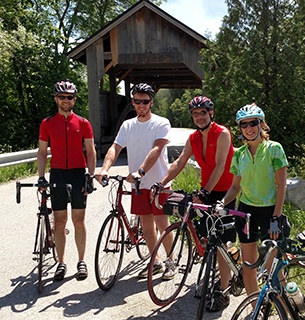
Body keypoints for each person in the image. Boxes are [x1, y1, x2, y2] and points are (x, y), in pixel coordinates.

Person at [151, 96, 236, 311]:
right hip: (206, 189)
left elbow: (219, 166)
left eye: (203, 113)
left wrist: (206, 192)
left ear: (211, 113)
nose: (199, 117)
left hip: (226, 191)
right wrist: (161, 184)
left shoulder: (222, 133)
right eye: (195, 114)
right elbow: (179, 162)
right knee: (208, 238)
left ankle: (223, 290)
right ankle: (213, 271)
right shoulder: (193, 139)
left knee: (222, 242)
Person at [96, 83, 173, 279]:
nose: (141, 105)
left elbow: (157, 149)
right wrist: (104, 169)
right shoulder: (128, 125)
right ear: (132, 103)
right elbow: (115, 147)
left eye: (145, 101)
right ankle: (154, 261)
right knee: (147, 224)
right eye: (137, 101)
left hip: (158, 183)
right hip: (138, 185)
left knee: (162, 223)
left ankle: (171, 261)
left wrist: (141, 171)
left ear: (151, 102)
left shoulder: (161, 123)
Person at [217, 103, 289, 297]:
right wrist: (222, 203)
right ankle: (253, 307)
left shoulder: (274, 149)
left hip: (270, 211)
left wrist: (277, 216)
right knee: (249, 265)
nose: (249, 128)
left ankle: (284, 308)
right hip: (246, 212)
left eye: (253, 123)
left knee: (273, 268)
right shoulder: (239, 154)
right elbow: (235, 187)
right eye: (244, 124)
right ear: (240, 128)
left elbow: (282, 185)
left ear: (261, 124)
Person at [37, 79, 97, 281]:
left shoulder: (83, 123)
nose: (65, 100)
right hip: (58, 174)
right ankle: (61, 263)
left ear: (74, 99)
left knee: (79, 221)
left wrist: (90, 175)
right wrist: (41, 177)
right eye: (61, 97)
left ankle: (81, 261)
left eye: (69, 97)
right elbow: (43, 152)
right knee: (60, 222)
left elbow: (90, 151)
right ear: (56, 99)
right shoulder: (47, 123)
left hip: (78, 174)